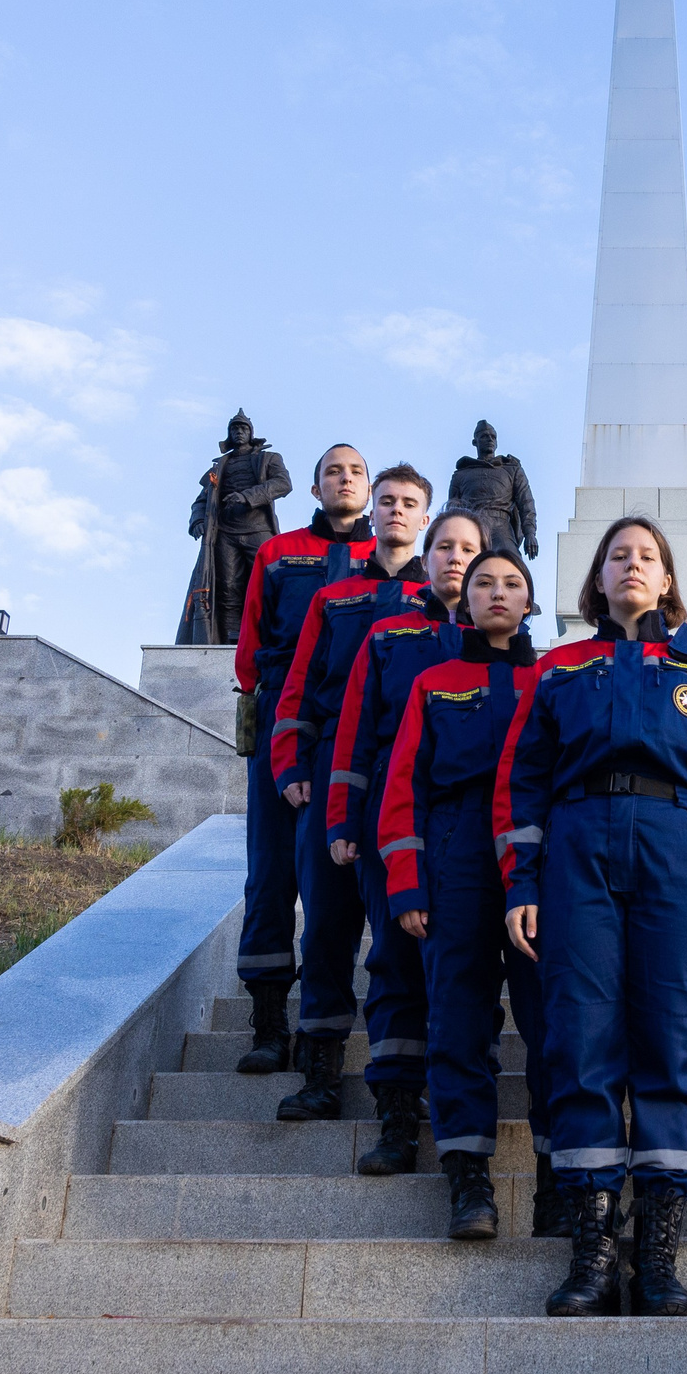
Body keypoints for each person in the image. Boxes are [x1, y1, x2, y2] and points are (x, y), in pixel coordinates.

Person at [497, 516, 687, 1319]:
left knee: (673, 1039)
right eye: (619, 555)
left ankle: (657, 1257)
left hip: (677, 853)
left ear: (669, 579)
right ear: (598, 579)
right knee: (580, 1040)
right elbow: (521, 783)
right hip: (577, 851)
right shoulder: (557, 668)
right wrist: (522, 882)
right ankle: (592, 1255)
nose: (633, 565)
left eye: (647, 555)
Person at [379, 547, 557, 1241]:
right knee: (457, 1018)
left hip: (539, 857)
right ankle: (469, 1180)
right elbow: (405, 785)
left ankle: (556, 1184)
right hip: (458, 852)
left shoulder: (556, 677)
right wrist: (407, 881)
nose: (497, 593)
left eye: (512, 583)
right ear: (465, 599)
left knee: (551, 1023)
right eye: (484, 583)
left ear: (530, 601)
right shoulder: (434, 681)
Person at [320, 506, 490, 1177]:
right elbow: (355, 731)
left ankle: (463, 1103)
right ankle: (396, 1113)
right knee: (394, 958)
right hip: (392, 821)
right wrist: (342, 818)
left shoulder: (505, 642)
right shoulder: (389, 635)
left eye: (468, 549)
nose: (455, 558)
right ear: (428, 552)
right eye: (444, 546)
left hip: (472, 828)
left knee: (463, 969)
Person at [270, 464, 436, 1128]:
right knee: (326, 926)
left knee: (402, 932)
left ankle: (406, 1082)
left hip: (408, 772)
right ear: (374, 510)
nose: (396, 510)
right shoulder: (333, 597)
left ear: (424, 518)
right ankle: (320, 1071)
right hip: (333, 768)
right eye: (387, 500)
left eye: (409, 503)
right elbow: (298, 685)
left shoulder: (441, 599)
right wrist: (290, 762)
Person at [229, 444, 372, 1074]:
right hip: (284, 723)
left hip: (350, 729)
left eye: (356, 471)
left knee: (332, 884)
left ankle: (323, 1035)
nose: (345, 479)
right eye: (333, 472)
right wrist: (265, 712)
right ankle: (268, 1026)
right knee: (270, 873)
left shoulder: (392, 563)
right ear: (315, 489)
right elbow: (251, 640)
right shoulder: (278, 554)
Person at [179, 409, 292, 645]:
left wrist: (247, 496)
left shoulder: (269, 458)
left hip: (258, 530)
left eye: (243, 428)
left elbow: (282, 484)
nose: (239, 432)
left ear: (251, 433)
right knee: (227, 588)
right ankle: (231, 640)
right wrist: (197, 520)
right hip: (225, 534)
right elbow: (201, 500)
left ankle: (266, 638)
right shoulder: (220, 466)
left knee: (265, 584)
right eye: (235, 429)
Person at [446, 421, 540, 559]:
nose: (490, 439)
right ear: (475, 442)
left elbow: (526, 503)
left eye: (493, 437)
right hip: (472, 527)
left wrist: (530, 533)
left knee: (512, 564)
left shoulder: (512, 469)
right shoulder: (461, 474)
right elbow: (452, 510)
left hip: (501, 528)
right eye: (484, 436)